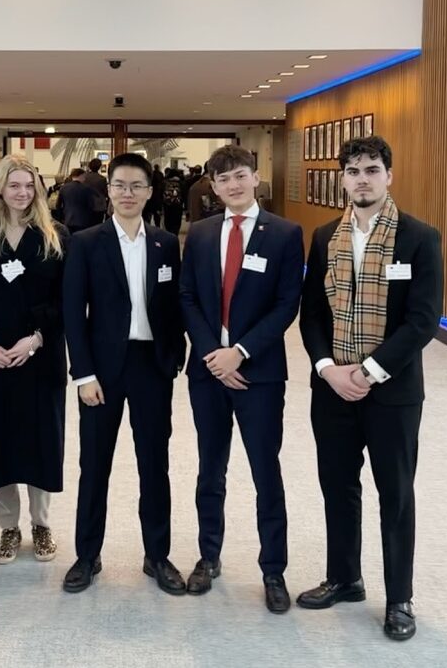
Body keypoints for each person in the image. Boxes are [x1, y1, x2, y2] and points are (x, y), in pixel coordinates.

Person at [295, 135, 443, 642]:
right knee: (338, 486)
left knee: (395, 494)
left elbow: (423, 321)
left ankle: (399, 597)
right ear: (342, 178)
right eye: (353, 170)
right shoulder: (323, 238)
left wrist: (371, 370)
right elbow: (311, 313)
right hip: (332, 388)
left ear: (389, 176)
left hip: (393, 392)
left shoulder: (419, 238)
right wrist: (327, 367)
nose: (362, 178)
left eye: (372, 169)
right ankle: (344, 577)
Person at [178, 144, 304, 614]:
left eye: (239, 175)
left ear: (256, 178)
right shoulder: (204, 233)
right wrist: (214, 355)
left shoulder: (286, 234)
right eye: (222, 179)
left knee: (264, 472)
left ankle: (273, 569)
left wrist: (241, 353)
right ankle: (208, 557)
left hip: (260, 374)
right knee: (210, 470)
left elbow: (286, 305)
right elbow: (187, 297)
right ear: (212, 186)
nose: (232, 185)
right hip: (208, 372)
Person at [61, 153, 187, 596]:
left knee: (155, 464)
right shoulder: (87, 242)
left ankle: (157, 555)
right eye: (119, 185)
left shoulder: (166, 243)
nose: (128, 193)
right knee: (94, 465)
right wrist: (83, 373)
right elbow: (73, 314)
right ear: (107, 191)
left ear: (151, 192)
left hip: (152, 367)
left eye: (137, 185)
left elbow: (174, 306)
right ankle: (86, 554)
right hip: (102, 371)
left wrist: (175, 355)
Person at [0, 155, 70, 565]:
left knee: (42, 440)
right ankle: (8, 526)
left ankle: (42, 524)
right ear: (0, 190)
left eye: (29, 186)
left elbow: (66, 300)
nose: (22, 193)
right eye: (14, 185)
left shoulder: (55, 236)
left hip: (40, 356)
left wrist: (37, 339)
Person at [58, 168, 94, 235]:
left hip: (68, 219)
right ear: (81, 176)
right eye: (84, 176)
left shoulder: (64, 188)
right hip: (83, 220)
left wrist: (61, 218)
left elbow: (59, 205)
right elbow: (91, 206)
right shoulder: (86, 188)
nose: (85, 179)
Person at [82, 158, 109, 227]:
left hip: (86, 205)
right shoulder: (102, 179)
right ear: (99, 167)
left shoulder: (85, 178)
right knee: (98, 226)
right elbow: (105, 192)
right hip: (99, 206)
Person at [162, 170, 185, 236]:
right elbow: (184, 194)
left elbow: (160, 194)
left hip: (167, 206)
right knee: (176, 224)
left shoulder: (165, 182)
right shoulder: (181, 183)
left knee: (168, 223)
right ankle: (175, 235)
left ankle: (169, 235)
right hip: (178, 206)